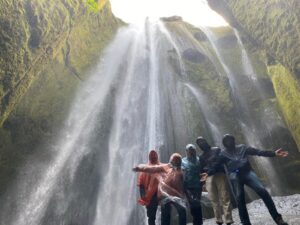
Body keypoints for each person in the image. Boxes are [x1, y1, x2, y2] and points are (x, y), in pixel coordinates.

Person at [202, 134, 289, 225]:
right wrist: (208, 173)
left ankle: (278, 219)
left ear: (233, 140)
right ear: (224, 143)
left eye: (230, 139)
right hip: (234, 176)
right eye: (226, 141)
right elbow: (216, 165)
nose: (229, 142)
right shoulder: (223, 154)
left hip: (247, 173)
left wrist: (273, 153)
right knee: (240, 199)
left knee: (262, 190)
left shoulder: (242, 147)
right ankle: (246, 223)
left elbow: (257, 152)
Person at [133, 153, 187, 225]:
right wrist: (140, 168)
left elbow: (185, 184)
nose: (175, 162)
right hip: (163, 196)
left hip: (174, 195)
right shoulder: (166, 167)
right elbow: (151, 169)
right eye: (174, 161)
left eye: (177, 161)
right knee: (164, 215)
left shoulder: (181, 171)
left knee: (181, 211)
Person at [196, 136, 233, 225]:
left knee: (225, 196)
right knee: (213, 199)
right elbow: (201, 170)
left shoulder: (216, 150)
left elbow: (220, 161)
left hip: (219, 174)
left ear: (206, 140)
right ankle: (218, 219)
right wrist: (202, 183)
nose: (201, 143)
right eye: (199, 143)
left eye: (202, 141)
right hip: (208, 178)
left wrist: (209, 171)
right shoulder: (201, 157)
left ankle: (228, 219)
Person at [137, 150, 161, 225]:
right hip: (151, 197)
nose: (153, 158)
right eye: (152, 156)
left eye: (154, 156)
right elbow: (141, 184)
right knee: (151, 217)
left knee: (164, 215)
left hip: (159, 195)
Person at [181, 144, 203, 225]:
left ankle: (199, 222)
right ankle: (196, 221)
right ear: (186, 151)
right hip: (188, 187)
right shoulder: (182, 161)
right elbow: (180, 174)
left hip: (198, 185)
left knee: (197, 204)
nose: (191, 151)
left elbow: (202, 171)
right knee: (192, 204)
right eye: (189, 150)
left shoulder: (198, 159)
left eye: (192, 149)